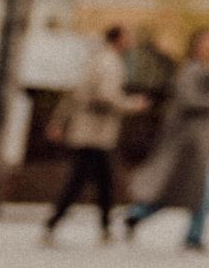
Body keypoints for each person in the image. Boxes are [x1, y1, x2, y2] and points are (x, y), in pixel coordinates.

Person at [122, 28, 209, 250]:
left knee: (190, 187)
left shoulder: (201, 69)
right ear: (197, 45)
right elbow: (188, 99)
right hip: (190, 143)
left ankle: (139, 215)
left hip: (199, 142)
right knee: (202, 187)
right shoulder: (190, 70)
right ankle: (190, 235)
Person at [41, 25, 147, 245]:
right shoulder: (108, 62)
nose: (131, 41)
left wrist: (59, 121)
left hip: (92, 132)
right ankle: (56, 225)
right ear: (118, 39)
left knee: (101, 181)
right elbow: (105, 95)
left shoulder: (97, 59)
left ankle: (101, 228)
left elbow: (75, 92)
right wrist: (131, 104)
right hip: (95, 134)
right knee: (85, 181)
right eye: (129, 36)